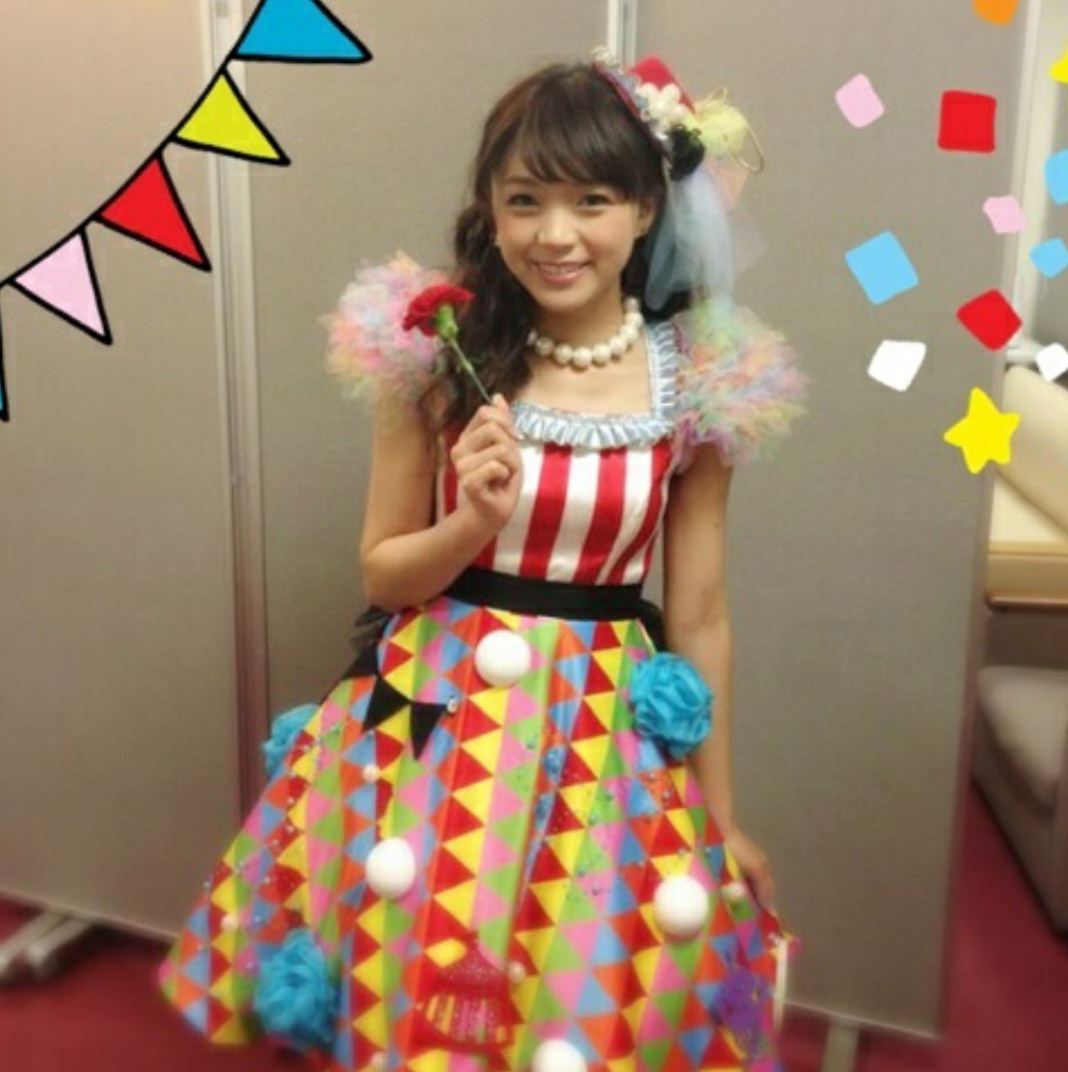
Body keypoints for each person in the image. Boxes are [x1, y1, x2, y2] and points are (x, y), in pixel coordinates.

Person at [160, 49, 807, 1072]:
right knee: (419, 969)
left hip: (599, 738)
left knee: (577, 986)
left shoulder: (702, 378)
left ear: (645, 209)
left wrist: (721, 816)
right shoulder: (438, 351)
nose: (556, 234)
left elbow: (701, 610)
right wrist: (471, 521)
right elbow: (384, 574)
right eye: (526, 200)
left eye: (592, 200)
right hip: (435, 719)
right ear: (492, 211)